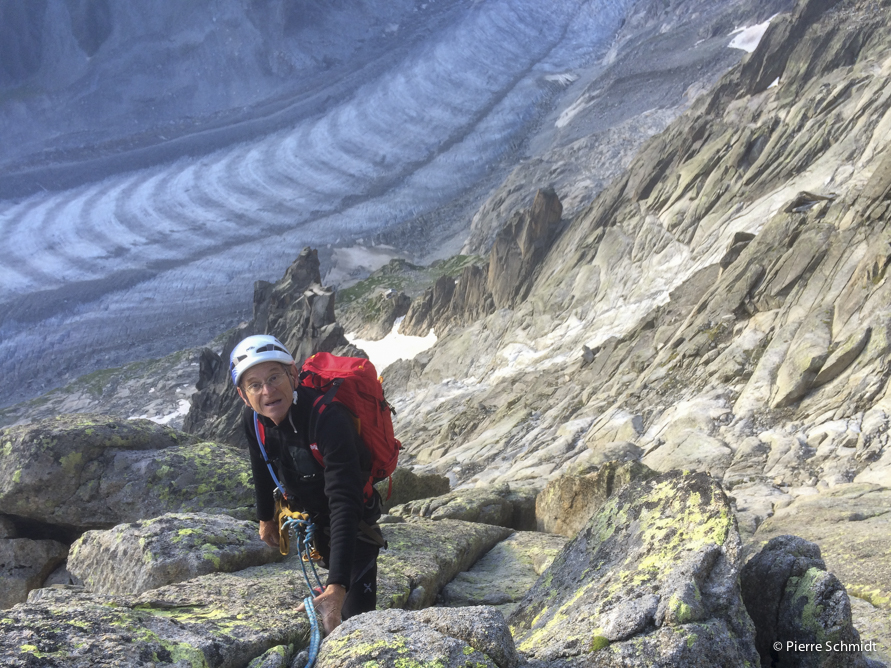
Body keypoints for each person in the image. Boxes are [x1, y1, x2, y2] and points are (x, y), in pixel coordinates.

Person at [230, 334, 383, 633]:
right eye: (255, 385)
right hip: (315, 523)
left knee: (355, 626)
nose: (268, 391)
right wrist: (266, 519)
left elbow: (344, 501)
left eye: (275, 377)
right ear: (243, 395)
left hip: (355, 528)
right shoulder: (253, 421)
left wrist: (336, 586)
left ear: (293, 375)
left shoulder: (328, 420)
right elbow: (261, 463)